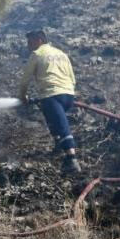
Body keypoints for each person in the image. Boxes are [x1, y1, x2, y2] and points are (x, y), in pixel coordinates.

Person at [18, 30, 81, 174]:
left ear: (40, 40)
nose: (28, 45)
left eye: (30, 41)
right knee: (51, 115)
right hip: (68, 94)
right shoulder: (62, 54)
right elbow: (72, 78)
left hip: (51, 95)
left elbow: (25, 79)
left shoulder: (37, 54)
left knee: (61, 124)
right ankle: (58, 145)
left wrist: (22, 96)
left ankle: (72, 158)